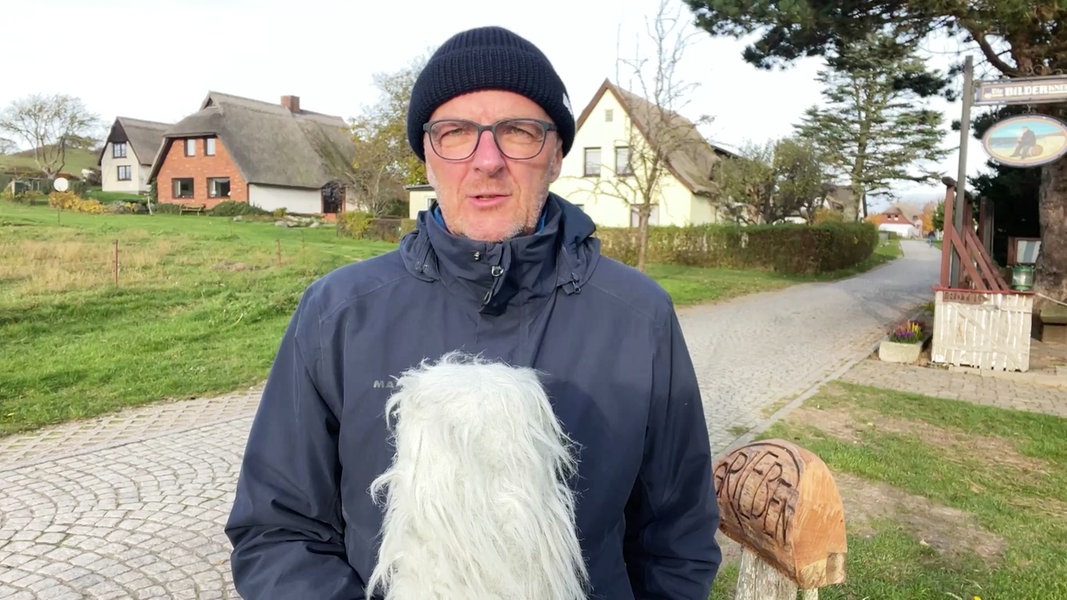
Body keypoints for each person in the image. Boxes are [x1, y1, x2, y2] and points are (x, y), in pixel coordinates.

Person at [225, 25, 721, 599]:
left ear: (557, 154)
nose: (487, 160)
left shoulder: (639, 315)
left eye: (518, 131)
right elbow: (278, 530)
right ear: (428, 158)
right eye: (456, 133)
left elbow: (677, 537)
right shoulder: (337, 313)